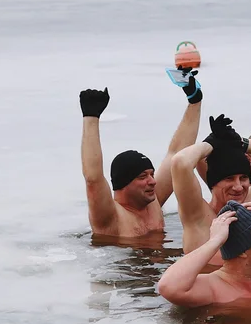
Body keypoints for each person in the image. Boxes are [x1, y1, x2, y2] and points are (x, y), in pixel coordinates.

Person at [78, 70, 203, 239]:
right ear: (124, 183)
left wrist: (195, 101)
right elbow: (93, 178)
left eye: (151, 174)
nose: (153, 181)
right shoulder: (109, 217)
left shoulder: (152, 201)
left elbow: (176, 153)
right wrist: (91, 117)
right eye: (143, 176)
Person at [170, 114, 251, 258]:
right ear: (214, 183)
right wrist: (210, 144)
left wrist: (242, 142)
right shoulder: (197, 215)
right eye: (229, 179)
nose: (238, 187)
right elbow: (180, 162)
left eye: (244, 178)